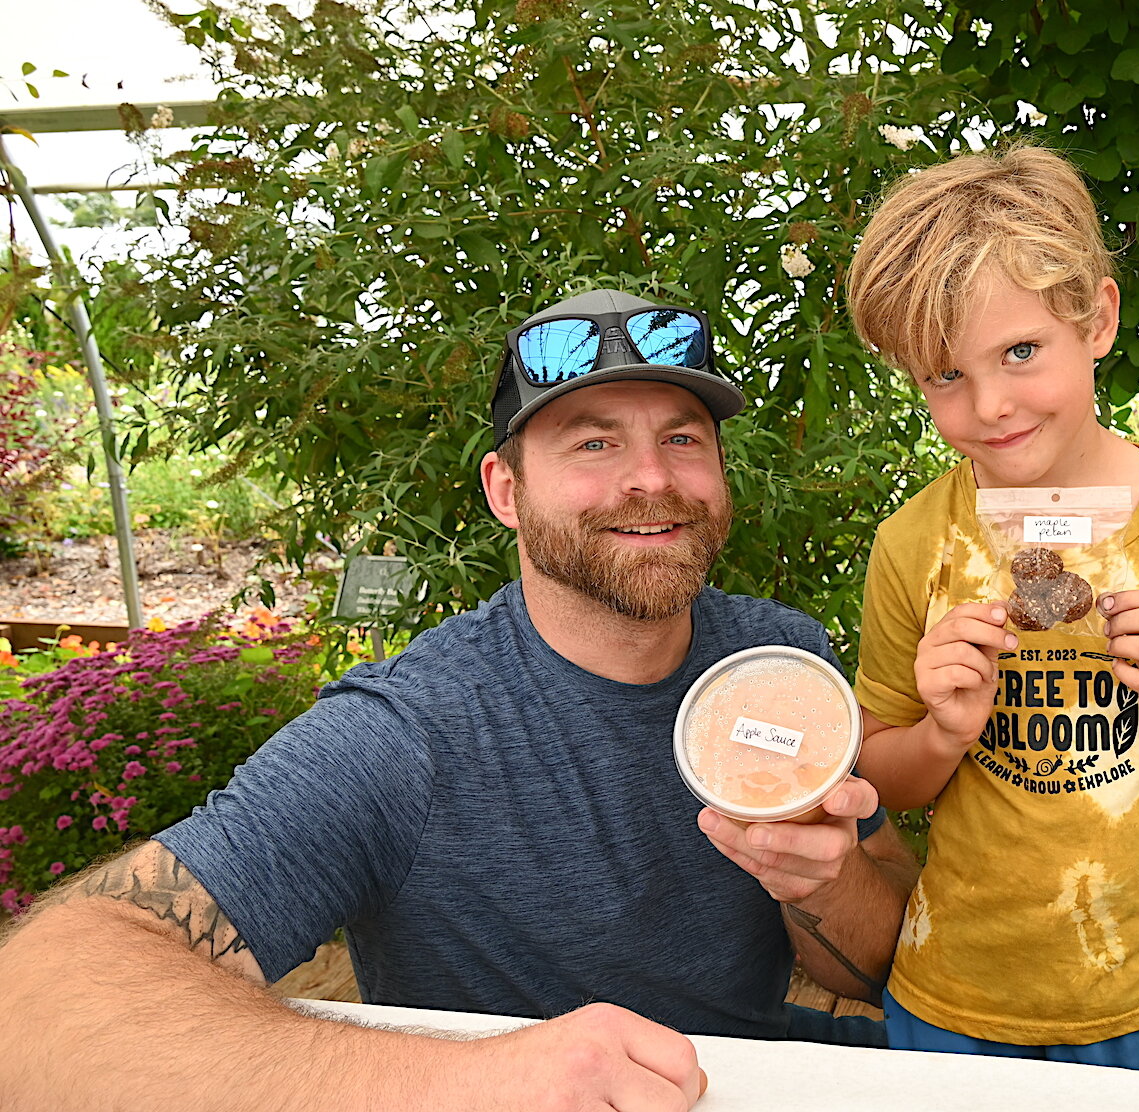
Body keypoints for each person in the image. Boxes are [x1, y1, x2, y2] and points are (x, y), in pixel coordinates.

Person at [0, 287, 917, 1111]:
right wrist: (473, 1078)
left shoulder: (780, 657)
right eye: (593, 442)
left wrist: (829, 884)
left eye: (681, 437)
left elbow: (889, 960)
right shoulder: (408, 737)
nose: (651, 478)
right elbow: (33, 1005)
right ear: (506, 491)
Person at [844, 145, 1139, 1070]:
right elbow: (885, 780)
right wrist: (940, 730)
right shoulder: (913, 545)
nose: (992, 405)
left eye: (1020, 352)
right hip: (955, 986)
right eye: (944, 375)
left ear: (1097, 317)